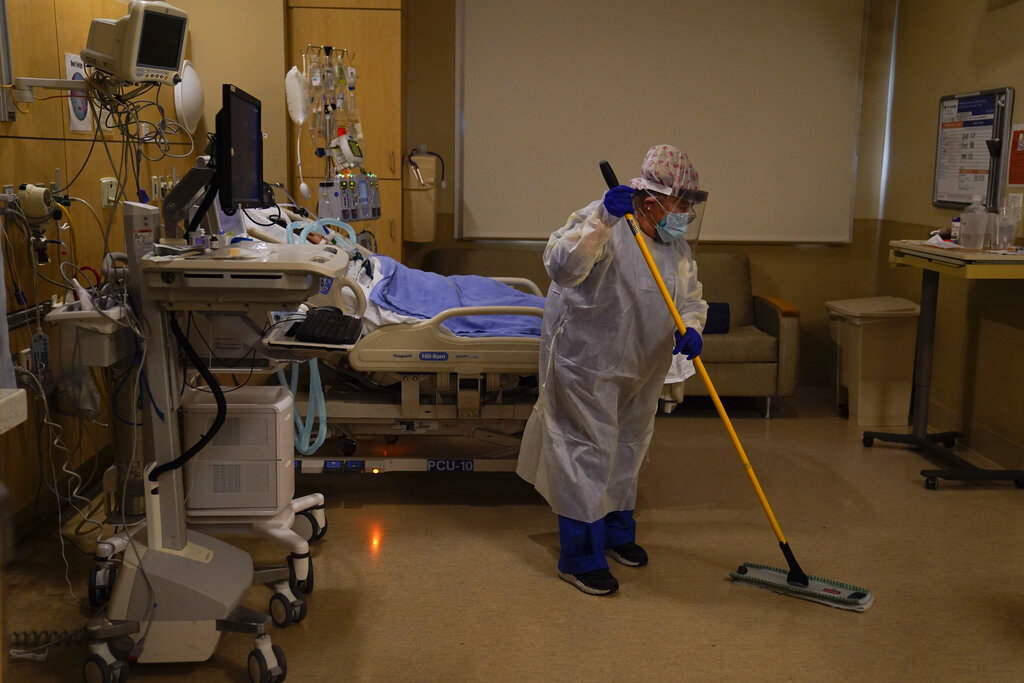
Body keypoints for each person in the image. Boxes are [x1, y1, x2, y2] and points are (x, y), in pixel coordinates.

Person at [517, 144, 709, 596]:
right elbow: (561, 269)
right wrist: (602, 219)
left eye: (689, 205)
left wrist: (694, 327)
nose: (685, 214)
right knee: (587, 450)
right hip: (587, 363)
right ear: (650, 202)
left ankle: (618, 535)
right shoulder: (603, 219)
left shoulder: (675, 244)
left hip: (643, 366)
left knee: (629, 447)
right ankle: (580, 557)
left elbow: (692, 298)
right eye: (680, 204)